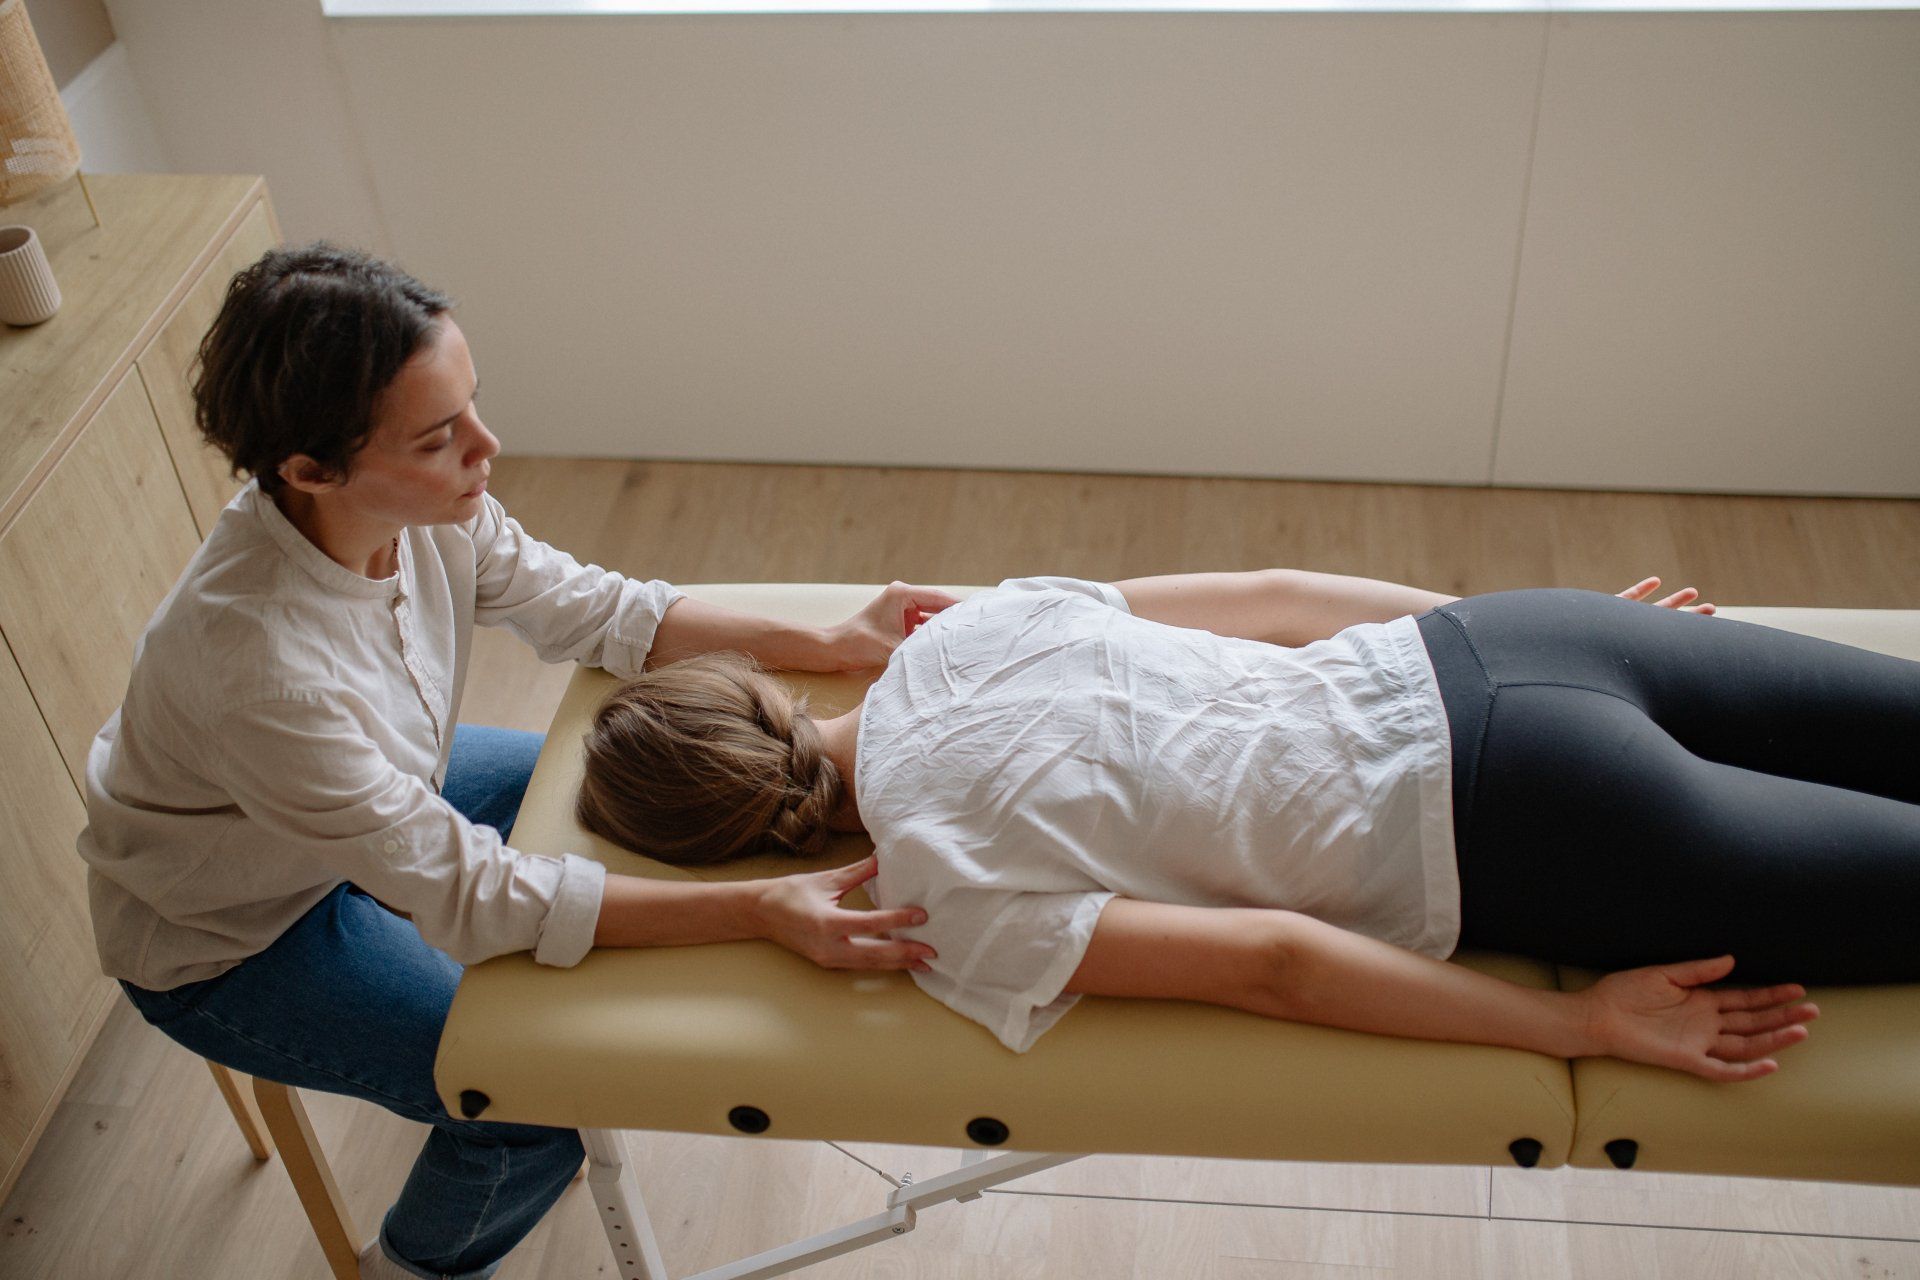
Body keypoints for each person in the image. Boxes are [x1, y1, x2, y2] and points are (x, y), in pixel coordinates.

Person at [77, 242, 949, 1280]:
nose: (487, 446)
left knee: (642, 802)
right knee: (536, 1098)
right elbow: (480, 896)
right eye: (442, 437)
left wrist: (831, 637)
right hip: (238, 933)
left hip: (369, 806)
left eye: (473, 407)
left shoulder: (421, 508)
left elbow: (595, 606)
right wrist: (760, 909)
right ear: (311, 469)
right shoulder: (263, 671)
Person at [576, 569, 1920, 1084]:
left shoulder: (937, 900)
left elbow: (1272, 961)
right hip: (1511, 640)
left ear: (739, 845)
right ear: (760, 691)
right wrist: (1545, 628)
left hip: (1537, 820)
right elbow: (1282, 595)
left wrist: (1580, 1025)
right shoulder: (966, 625)